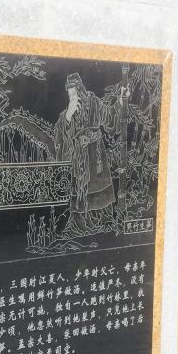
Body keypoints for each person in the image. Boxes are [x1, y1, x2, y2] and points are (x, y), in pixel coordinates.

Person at [51, 73, 118, 235]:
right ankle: (80, 220)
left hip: (96, 153)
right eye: (70, 95)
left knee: (100, 184)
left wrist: (121, 101)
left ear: (80, 90)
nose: (72, 98)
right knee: (81, 186)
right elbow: (59, 134)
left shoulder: (95, 103)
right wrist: (68, 115)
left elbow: (109, 117)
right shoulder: (69, 111)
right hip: (80, 156)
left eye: (74, 94)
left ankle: (105, 217)